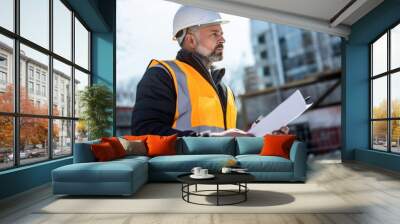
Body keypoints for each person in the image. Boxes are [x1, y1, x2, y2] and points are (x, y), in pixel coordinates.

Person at [131, 6, 288, 137]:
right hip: (184, 174)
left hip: (226, 172)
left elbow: (227, 141)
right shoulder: (162, 75)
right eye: (214, 33)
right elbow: (145, 134)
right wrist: (214, 140)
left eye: (221, 33)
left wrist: (256, 136)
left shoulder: (225, 91)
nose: (222, 39)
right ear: (191, 40)